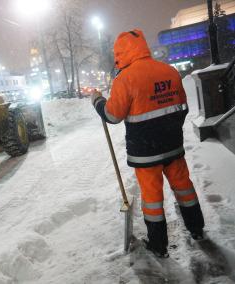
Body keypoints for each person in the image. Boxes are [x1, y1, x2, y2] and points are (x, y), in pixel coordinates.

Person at [91, 29, 205, 258]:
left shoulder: (125, 79)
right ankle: (196, 228)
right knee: (184, 187)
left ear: (121, 53)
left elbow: (113, 116)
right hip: (173, 147)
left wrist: (98, 101)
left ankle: (158, 244)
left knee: (152, 198)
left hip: (145, 154)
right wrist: (169, 130)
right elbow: (183, 106)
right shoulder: (169, 71)